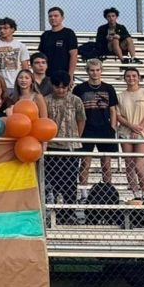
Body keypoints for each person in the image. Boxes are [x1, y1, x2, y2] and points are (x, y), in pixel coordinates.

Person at [74, 58, 119, 189]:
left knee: (106, 164)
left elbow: (113, 109)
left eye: (97, 70)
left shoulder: (109, 88)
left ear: (101, 71)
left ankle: (108, 191)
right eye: (92, 70)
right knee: (85, 163)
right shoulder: (79, 89)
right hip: (87, 129)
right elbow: (76, 110)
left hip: (105, 128)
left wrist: (112, 127)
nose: (95, 73)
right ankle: (83, 193)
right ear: (87, 71)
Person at [44, 73, 86, 210]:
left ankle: (69, 211)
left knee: (70, 180)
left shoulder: (76, 100)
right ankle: (53, 208)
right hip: (52, 145)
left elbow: (81, 119)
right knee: (53, 179)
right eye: (57, 87)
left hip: (71, 146)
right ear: (52, 86)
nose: (61, 90)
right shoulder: (46, 100)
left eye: (64, 87)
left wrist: (76, 137)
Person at [116, 67, 144, 199]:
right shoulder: (120, 96)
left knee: (139, 165)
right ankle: (135, 193)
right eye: (128, 76)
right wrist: (131, 126)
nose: (131, 78)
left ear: (138, 78)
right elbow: (118, 116)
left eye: (134, 76)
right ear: (124, 78)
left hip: (143, 132)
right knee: (129, 164)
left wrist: (138, 127)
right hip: (126, 131)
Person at [38, 7, 78, 83]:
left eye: (56, 16)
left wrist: (70, 75)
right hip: (47, 77)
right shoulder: (45, 35)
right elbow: (41, 57)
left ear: (62, 18)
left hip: (63, 76)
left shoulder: (68, 33)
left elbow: (74, 55)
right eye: (50, 16)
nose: (53, 18)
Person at [0, 18, 30, 91]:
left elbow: (25, 67)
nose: (2, 30)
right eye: (0, 28)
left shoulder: (21, 46)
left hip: (16, 85)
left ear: (12, 29)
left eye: (5, 28)